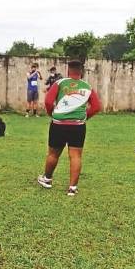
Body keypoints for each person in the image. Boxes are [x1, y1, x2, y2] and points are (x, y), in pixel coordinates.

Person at [37, 60, 101, 196]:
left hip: (58, 124)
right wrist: (84, 117)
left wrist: (52, 114)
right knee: (76, 156)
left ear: (68, 70)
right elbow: (96, 107)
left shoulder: (59, 83)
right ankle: (72, 188)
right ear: (81, 72)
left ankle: (47, 179)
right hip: (78, 126)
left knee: (53, 154)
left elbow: (48, 101)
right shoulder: (87, 87)